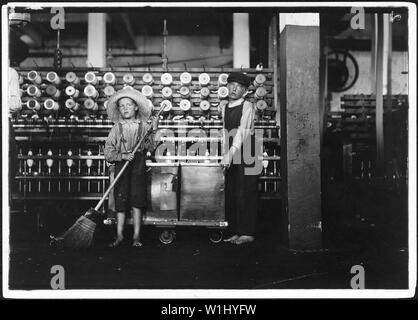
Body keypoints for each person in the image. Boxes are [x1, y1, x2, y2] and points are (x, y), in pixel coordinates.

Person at [104, 87, 158, 247]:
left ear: (136, 107)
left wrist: (154, 130)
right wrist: (122, 156)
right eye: (122, 105)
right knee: (120, 201)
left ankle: (136, 237)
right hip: (121, 167)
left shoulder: (144, 127)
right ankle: (120, 236)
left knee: (137, 201)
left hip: (138, 168)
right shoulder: (116, 128)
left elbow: (151, 147)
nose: (125, 108)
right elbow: (108, 152)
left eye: (129, 104)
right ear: (118, 109)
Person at [219, 72, 259, 245]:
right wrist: (224, 152)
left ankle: (248, 232)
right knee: (233, 192)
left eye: (239, 87)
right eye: (231, 85)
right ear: (226, 86)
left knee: (246, 192)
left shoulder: (248, 106)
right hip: (232, 152)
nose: (234, 88)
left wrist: (230, 153)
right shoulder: (224, 107)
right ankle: (236, 230)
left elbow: (242, 132)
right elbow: (224, 132)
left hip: (247, 151)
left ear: (245, 91)